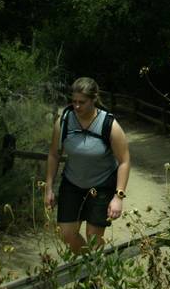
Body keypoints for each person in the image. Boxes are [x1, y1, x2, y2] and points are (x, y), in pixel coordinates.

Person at [44, 77, 131, 254]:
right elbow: (54, 154)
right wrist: (49, 187)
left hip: (102, 186)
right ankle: (90, 269)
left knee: (93, 238)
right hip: (72, 183)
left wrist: (118, 197)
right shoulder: (64, 121)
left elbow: (124, 161)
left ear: (94, 99)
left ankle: (91, 277)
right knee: (66, 233)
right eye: (73, 101)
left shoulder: (109, 124)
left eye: (82, 102)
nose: (76, 106)